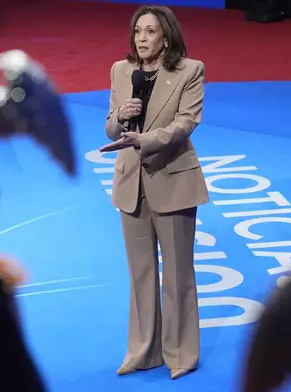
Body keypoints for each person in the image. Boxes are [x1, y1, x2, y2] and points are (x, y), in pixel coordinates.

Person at [101, 4, 209, 381]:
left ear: (166, 37)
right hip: (131, 182)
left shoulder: (189, 71)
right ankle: (143, 351)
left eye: (149, 32)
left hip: (172, 178)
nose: (142, 39)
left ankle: (181, 354)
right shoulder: (120, 70)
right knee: (141, 272)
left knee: (178, 273)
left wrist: (143, 139)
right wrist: (120, 117)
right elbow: (111, 129)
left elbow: (185, 125)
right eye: (137, 32)